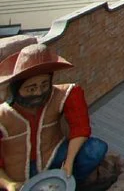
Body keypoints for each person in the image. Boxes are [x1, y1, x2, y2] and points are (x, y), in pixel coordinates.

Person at [0, 44, 109, 189]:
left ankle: (71, 184)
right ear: (16, 88)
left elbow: (80, 128)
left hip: (53, 155)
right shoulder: (3, 115)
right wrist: (9, 184)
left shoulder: (65, 94)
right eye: (31, 88)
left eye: (44, 85)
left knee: (95, 149)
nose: (38, 93)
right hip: (16, 171)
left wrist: (69, 162)